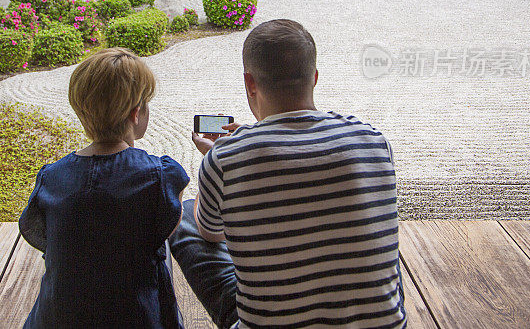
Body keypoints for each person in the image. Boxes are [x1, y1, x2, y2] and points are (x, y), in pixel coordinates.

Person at [170, 19, 406, 329]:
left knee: (187, 216)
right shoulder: (373, 140)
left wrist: (219, 160)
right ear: (315, 78)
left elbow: (213, 235)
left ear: (250, 83)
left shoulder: (224, 157)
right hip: (381, 325)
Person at [19, 47, 190, 329]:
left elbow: (42, 236)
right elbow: (165, 230)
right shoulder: (160, 175)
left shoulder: (51, 177)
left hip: (56, 319)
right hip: (135, 316)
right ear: (136, 113)